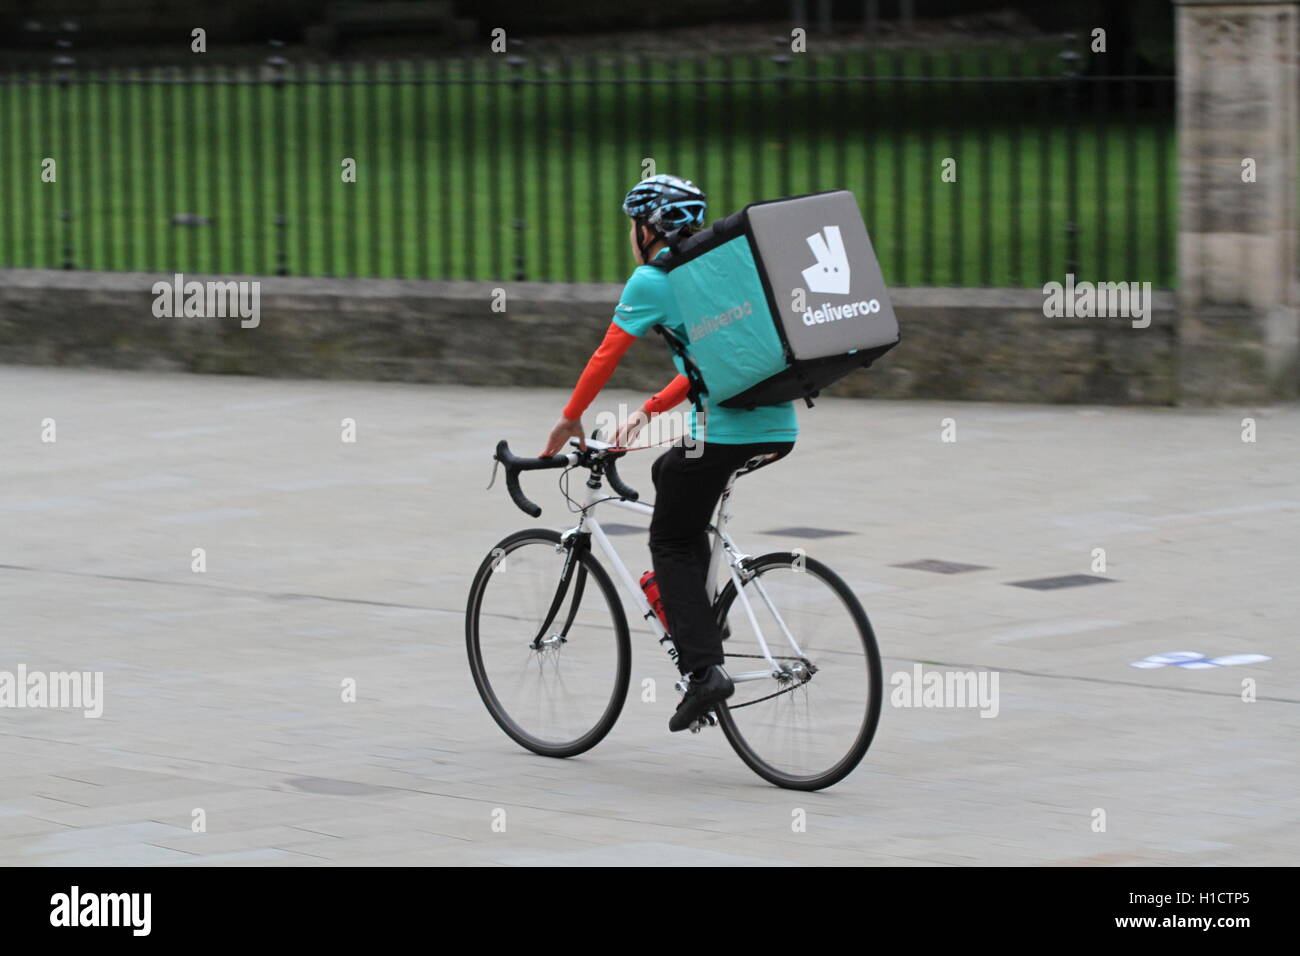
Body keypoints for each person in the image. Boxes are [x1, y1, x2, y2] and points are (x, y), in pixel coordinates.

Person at [540, 174, 797, 732]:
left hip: (725, 432)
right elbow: (715, 361)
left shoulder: (651, 280)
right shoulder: (719, 269)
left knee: (670, 538)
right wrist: (648, 411)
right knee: (668, 472)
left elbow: (606, 354)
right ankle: (697, 613)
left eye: (632, 225)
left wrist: (570, 417)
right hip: (779, 426)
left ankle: (705, 672)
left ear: (648, 228)